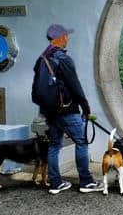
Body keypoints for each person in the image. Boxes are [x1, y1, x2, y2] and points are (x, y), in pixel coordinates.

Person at [31, 24, 102, 195]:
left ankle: (55, 183)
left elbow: (36, 88)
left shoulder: (42, 59)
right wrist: (86, 108)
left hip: (49, 111)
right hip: (67, 110)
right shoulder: (63, 59)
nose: (67, 39)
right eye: (66, 36)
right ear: (60, 38)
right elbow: (75, 86)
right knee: (81, 142)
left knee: (55, 145)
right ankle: (86, 182)